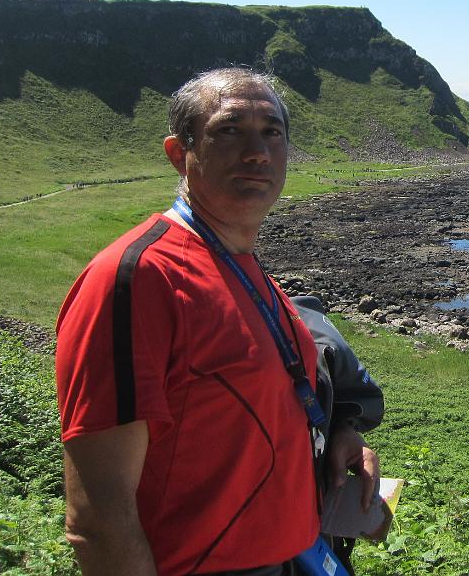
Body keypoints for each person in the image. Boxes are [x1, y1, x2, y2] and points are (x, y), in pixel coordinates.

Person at [56, 67, 380, 576]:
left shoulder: (247, 271)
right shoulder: (137, 280)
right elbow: (97, 518)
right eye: (229, 130)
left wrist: (341, 432)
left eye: (272, 131)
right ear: (178, 153)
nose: (257, 152)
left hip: (298, 557)